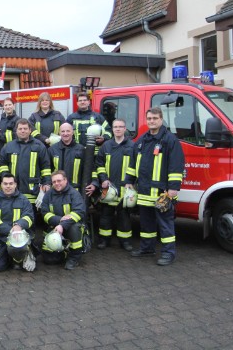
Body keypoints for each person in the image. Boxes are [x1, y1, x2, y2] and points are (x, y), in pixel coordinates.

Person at [126, 107, 185, 266]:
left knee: (166, 225)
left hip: (162, 192)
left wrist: (173, 188)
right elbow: (133, 163)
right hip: (144, 191)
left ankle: (168, 253)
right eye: (149, 118)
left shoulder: (169, 140)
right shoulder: (142, 140)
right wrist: (129, 181)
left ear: (161, 119)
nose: (152, 121)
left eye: (155, 118)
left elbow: (176, 165)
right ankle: (147, 248)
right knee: (147, 224)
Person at [94, 118, 135, 251]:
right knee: (105, 216)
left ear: (125, 129)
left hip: (125, 188)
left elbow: (136, 166)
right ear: (112, 129)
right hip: (109, 188)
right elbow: (99, 164)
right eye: (115, 127)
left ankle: (125, 242)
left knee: (124, 217)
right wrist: (103, 179)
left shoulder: (132, 146)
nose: (117, 129)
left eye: (120, 126)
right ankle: (104, 240)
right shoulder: (106, 145)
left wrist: (131, 181)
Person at [0, 173, 36, 272]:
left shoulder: (24, 200)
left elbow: (29, 217)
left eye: (11, 183)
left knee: (17, 250)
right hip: (0, 238)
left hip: (18, 237)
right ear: (1, 185)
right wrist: (12, 229)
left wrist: (19, 225)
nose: (8, 186)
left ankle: (19, 259)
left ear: (15, 185)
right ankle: (8, 257)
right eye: (5, 183)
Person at [0, 119, 51, 207]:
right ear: (16, 131)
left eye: (25, 129)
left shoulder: (39, 146)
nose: (23, 131)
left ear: (30, 130)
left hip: (33, 192)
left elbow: (45, 167)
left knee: (33, 218)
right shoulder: (8, 146)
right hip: (12, 191)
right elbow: (2, 165)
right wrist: (7, 179)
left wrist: (46, 183)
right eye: (20, 129)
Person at [40, 170, 87, 270]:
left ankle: (74, 257)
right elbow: (44, 213)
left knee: (75, 228)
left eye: (59, 180)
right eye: (54, 182)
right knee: (49, 260)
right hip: (54, 228)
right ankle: (64, 252)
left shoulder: (74, 194)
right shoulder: (48, 195)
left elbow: (79, 212)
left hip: (70, 228)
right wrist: (59, 220)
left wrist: (62, 225)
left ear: (65, 180)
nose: (57, 183)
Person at [48, 123, 86, 189]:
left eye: (68, 131)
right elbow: (48, 170)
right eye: (63, 131)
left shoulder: (81, 149)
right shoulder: (52, 150)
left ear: (72, 132)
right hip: (57, 190)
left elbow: (86, 171)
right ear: (59, 133)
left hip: (75, 191)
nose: (65, 134)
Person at [0, 97, 20, 164]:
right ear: (3, 107)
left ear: (13, 106)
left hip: (10, 151)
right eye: (6, 105)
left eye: (10, 105)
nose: (8, 107)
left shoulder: (18, 120)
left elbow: (15, 136)